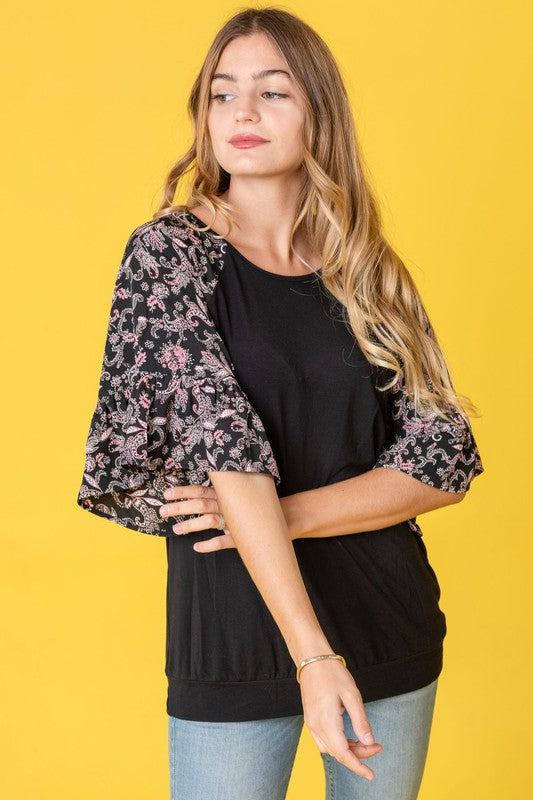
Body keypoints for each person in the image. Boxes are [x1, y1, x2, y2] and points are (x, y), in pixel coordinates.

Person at [76, 8, 484, 800]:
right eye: (222, 95)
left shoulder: (367, 270)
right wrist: (312, 656)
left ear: (318, 113)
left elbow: (443, 463)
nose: (244, 114)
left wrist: (272, 515)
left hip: (384, 625)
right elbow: (227, 447)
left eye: (273, 92)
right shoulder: (169, 256)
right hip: (234, 640)